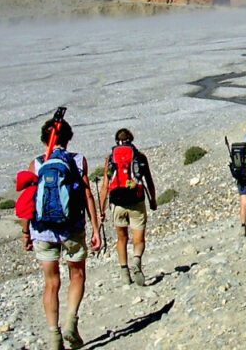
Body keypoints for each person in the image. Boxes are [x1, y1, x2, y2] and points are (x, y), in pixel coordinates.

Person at [21, 117, 101, 350]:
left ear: (44, 139)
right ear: (68, 138)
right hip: (72, 228)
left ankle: (54, 335)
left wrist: (26, 233)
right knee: (77, 275)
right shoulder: (77, 160)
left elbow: (28, 200)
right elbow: (87, 195)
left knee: (51, 283)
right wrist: (96, 229)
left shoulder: (37, 163)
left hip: (42, 230)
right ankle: (70, 322)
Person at [99, 128, 157, 287]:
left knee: (121, 238)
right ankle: (136, 260)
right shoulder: (140, 156)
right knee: (138, 239)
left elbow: (105, 186)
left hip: (117, 203)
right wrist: (153, 200)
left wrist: (101, 210)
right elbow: (149, 181)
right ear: (131, 139)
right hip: (136, 201)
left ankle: (125, 273)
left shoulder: (111, 159)